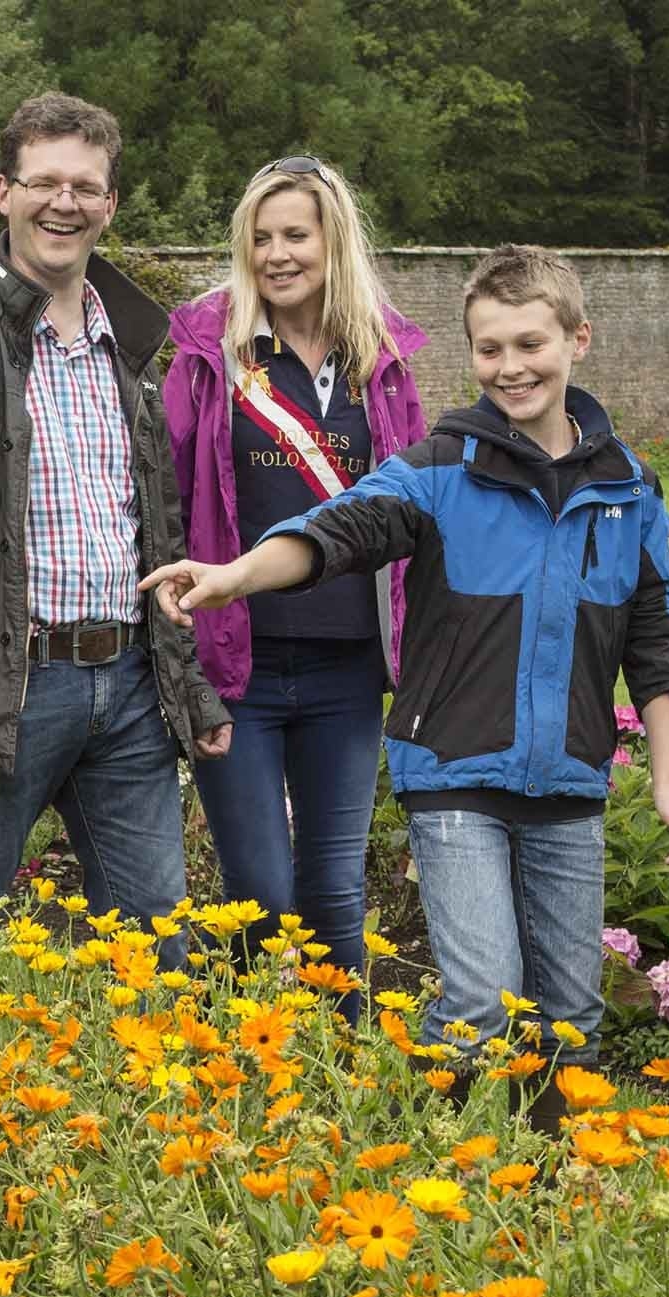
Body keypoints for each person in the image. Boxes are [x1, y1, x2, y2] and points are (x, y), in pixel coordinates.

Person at [141, 244, 669, 1055]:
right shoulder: (438, 472)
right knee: (479, 1011)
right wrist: (235, 577)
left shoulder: (631, 490)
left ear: (578, 340)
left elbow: (656, 641)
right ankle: (434, 1141)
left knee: (571, 1022)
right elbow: (333, 533)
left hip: (570, 783)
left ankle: (544, 1175)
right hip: (455, 775)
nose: (510, 368)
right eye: (489, 348)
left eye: (530, 345)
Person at [0, 92, 231, 953]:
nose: (65, 202)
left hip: (130, 686)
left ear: (109, 205)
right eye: (45, 181)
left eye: (86, 186)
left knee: (157, 945)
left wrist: (185, 683)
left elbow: (153, 530)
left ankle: (147, 1089)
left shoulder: (129, 344)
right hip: (2, 693)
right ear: (3, 193)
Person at [161, 156, 429, 986]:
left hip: (347, 666)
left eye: (296, 235)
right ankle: (247, 1058)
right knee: (262, 897)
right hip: (237, 661)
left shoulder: (379, 362)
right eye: (261, 237)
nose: (278, 254)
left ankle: (340, 1066)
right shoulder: (213, 353)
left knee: (335, 894)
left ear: (332, 242)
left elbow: (416, 502)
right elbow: (167, 491)